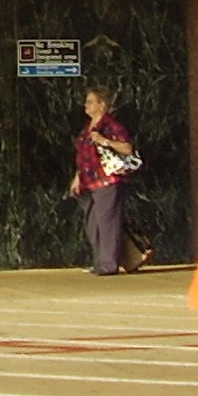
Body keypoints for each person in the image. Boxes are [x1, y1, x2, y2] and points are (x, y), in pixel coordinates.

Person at [68, 87, 136, 276]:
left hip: (107, 180)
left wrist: (104, 141)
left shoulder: (111, 127)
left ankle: (108, 264)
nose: (86, 105)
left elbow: (127, 148)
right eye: (86, 102)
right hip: (88, 181)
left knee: (107, 223)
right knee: (93, 223)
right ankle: (99, 261)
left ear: (102, 105)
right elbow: (83, 156)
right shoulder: (86, 128)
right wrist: (77, 178)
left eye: (91, 102)